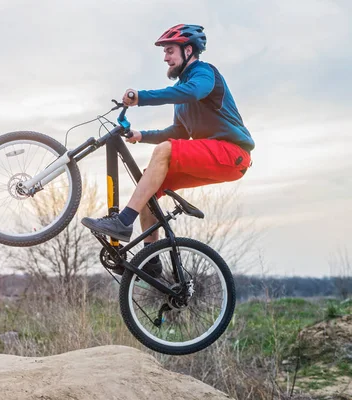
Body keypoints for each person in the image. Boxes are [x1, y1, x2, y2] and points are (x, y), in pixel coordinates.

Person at [81, 24, 255, 275]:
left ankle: (123, 222)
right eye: (164, 52)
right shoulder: (183, 99)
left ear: (189, 50)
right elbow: (178, 134)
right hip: (215, 156)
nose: (165, 57)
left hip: (233, 153)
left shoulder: (204, 73)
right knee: (149, 186)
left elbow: (193, 92)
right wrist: (140, 135)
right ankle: (151, 261)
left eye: (170, 50)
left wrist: (141, 96)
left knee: (164, 152)